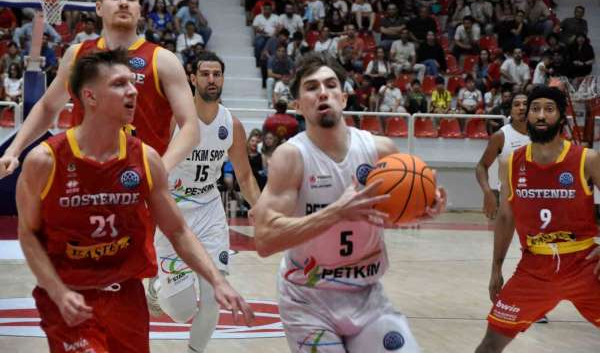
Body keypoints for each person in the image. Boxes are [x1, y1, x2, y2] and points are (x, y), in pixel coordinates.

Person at [17, 49, 253, 353]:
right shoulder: (46, 160)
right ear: (89, 96)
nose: (132, 91)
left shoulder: (147, 158)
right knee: (179, 310)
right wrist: (56, 289)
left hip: (130, 293)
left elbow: (180, 229)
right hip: (73, 294)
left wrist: (217, 280)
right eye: (119, 84)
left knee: (200, 305)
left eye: (133, 84)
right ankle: (160, 287)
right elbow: (29, 235)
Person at [250, 52, 445, 353]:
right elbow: (264, 240)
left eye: (330, 85)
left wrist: (423, 209)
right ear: (298, 105)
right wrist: (337, 212)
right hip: (307, 299)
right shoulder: (291, 157)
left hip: (367, 295)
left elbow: (392, 214)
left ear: (343, 97)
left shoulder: (380, 150)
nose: (323, 92)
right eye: (312, 87)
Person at [0, 0, 200, 179]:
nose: (123, 3)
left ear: (139, 9)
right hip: (84, 181)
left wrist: (159, 171)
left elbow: (190, 127)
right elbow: (48, 107)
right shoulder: (77, 54)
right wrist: (13, 151)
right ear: (98, 8)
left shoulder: (163, 60)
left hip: (138, 184)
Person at [146, 51, 260, 353]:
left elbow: (245, 177)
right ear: (192, 79)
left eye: (217, 74)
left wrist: (262, 213)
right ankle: (158, 286)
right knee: (182, 312)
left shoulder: (231, 125)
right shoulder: (174, 119)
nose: (212, 79)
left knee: (213, 300)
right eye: (206, 74)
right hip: (174, 212)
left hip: (209, 209)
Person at [474, 86, 600, 352]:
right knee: (489, 345)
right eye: (535, 109)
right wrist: (496, 269)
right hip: (534, 267)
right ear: (526, 116)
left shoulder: (587, 159)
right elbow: (506, 217)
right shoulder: (511, 163)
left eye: (549, 109)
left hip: (584, 265)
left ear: (561, 117)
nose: (541, 115)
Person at [476, 91, 528, 220]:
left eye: (525, 104)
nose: (521, 107)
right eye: (516, 104)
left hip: (535, 200)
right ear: (510, 111)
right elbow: (481, 166)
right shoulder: (500, 136)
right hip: (507, 199)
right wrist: (488, 192)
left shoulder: (542, 135)